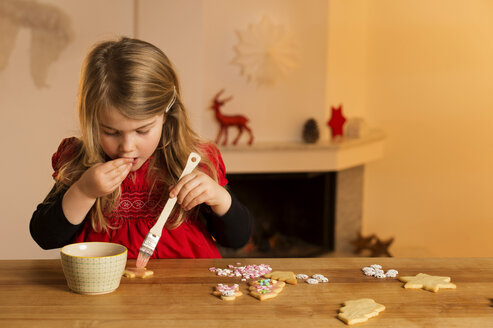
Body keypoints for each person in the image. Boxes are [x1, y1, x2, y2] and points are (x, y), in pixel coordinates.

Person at [30, 37, 253, 259]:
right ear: (91, 121)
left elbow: (237, 239)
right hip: (106, 289)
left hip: (185, 288)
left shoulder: (191, 159)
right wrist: (83, 191)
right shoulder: (80, 161)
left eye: (142, 131)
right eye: (111, 132)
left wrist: (218, 198)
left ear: (166, 115)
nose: (127, 147)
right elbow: (45, 237)